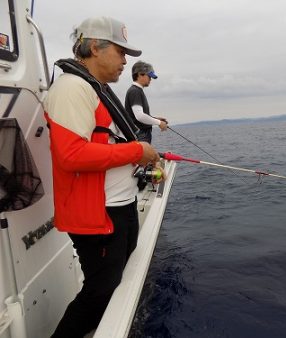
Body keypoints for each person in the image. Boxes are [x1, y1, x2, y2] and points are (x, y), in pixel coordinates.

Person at [43, 16, 164, 338]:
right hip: (98, 213)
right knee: (100, 290)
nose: (126, 61)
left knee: (114, 282)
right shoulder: (71, 88)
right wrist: (137, 152)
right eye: (121, 52)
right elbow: (71, 155)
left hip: (120, 205)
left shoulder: (97, 90)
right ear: (95, 47)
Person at [125, 60, 168, 144]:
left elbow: (136, 116)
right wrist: (159, 123)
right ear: (140, 74)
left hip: (141, 134)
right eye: (149, 76)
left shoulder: (137, 90)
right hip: (140, 135)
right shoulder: (135, 91)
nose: (150, 79)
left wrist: (155, 118)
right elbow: (139, 116)